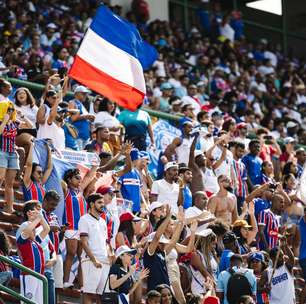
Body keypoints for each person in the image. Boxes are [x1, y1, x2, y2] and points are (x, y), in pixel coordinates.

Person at [61, 166, 96, 288]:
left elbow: (89, 176)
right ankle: (65, 281)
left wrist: (95, 165)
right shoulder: (66, 191)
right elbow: (60, 181)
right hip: (70, 227)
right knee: (71, 253)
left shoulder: (80, 191)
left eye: (80, 178)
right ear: (69, 179)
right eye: (77, 178)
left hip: (82, 229)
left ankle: (82, 285)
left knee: (82, 257)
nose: (80, 180)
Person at [78, 193, 112, 304]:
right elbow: (84, 243)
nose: (103, 205)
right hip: (90, 260)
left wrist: (110, 254)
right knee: (89, 292)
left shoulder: (103, 221)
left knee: (100, 295)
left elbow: (106, 242)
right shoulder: (84, 219)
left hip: (104, 261)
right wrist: (94, 259)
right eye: (100, 202)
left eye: (103, 202)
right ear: (92, 204)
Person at [16, 201, 50, 303]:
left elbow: (47, 229)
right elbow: (27, 230)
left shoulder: (35, 241)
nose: (34, 230)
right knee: (28, 301)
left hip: (39, 275)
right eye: (33, 229)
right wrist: (36, 219)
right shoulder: (23, 241)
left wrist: (40, 217)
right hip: (29, 275)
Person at [143, 205, 171, 291]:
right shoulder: (149, 253)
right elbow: (157, 237)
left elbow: (173, 242)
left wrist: (181, 223)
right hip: (155, 293)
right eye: (161, 243)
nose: (164, 245)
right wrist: (168, 218)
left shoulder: (162, 252)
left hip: (166, 290)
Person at [0, 102, 20, 213]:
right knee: (0, 178)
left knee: (10, 183)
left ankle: (9, 207)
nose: (11, 112)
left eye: (12, 109)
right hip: (1, 151)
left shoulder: (15, 123)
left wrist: (23, 116)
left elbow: (31, 126)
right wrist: (4, 120)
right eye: (8, 110)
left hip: (13, 153)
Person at [118, 149, 146, 214]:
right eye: (139, 158)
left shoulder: (137, 172)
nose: (140, 161)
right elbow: (117, 189)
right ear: (136, 159)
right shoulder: (122, 170)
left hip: (137, 209)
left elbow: (140, 192)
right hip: (125, 209)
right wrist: (123, 205)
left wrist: (143, 206)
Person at [68, 85, 94, 150]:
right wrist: (86, 116)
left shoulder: (82, 105)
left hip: (85, 137)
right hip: (77, 137)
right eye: (83, 93)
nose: (85, 95)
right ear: (76, 94)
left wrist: (89, 119)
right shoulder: (72, 102)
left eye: (86, 94)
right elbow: (72, 118)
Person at [232, 142, 248, 214]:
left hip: (242, 194)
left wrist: (247, 194)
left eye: (242, 151)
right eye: (239, 151)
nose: (241, 153)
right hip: (233, 192)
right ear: (235, 150)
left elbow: (244, 181)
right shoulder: (230, 162)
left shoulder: (243, 165)